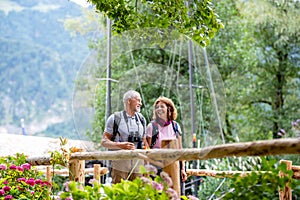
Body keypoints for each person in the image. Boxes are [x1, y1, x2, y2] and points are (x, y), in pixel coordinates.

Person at [101, 90, 147, 184]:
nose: (140, 103)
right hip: (120, 162)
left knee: (138, 192)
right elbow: (104, 141)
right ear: (129, 101)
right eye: (138, 100)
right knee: (119, 192)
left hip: (138, 162)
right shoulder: (115, 118)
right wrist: (121, 145)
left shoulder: (142, 119)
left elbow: (144, 142)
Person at [146, 96, 187, 183]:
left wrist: (183, 169)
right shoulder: (151, 127)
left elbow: (180, 149)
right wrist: (147, 169)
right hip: (157, 166)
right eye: (157, 107)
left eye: (162, 106)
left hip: (174, 165)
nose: (159, 109)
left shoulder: (175, 126)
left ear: (169, 109)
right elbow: (147, 149)